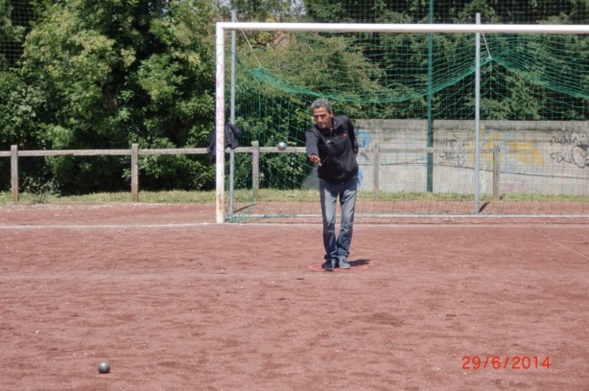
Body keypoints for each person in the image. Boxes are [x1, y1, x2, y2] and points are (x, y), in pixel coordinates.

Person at [305, 99, 359, 271]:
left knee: (347, 220)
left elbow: (352, 139)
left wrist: (354, 154)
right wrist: (313, 155)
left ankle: (342, 255)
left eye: (322, 116)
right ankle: (331, 256)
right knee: (328, 221)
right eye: (316, 117)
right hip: (328, 182)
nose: (319, 120)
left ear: (331, 114)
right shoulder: (313, 132)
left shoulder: (344, 122)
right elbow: (311, 145)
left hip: (349, 180)